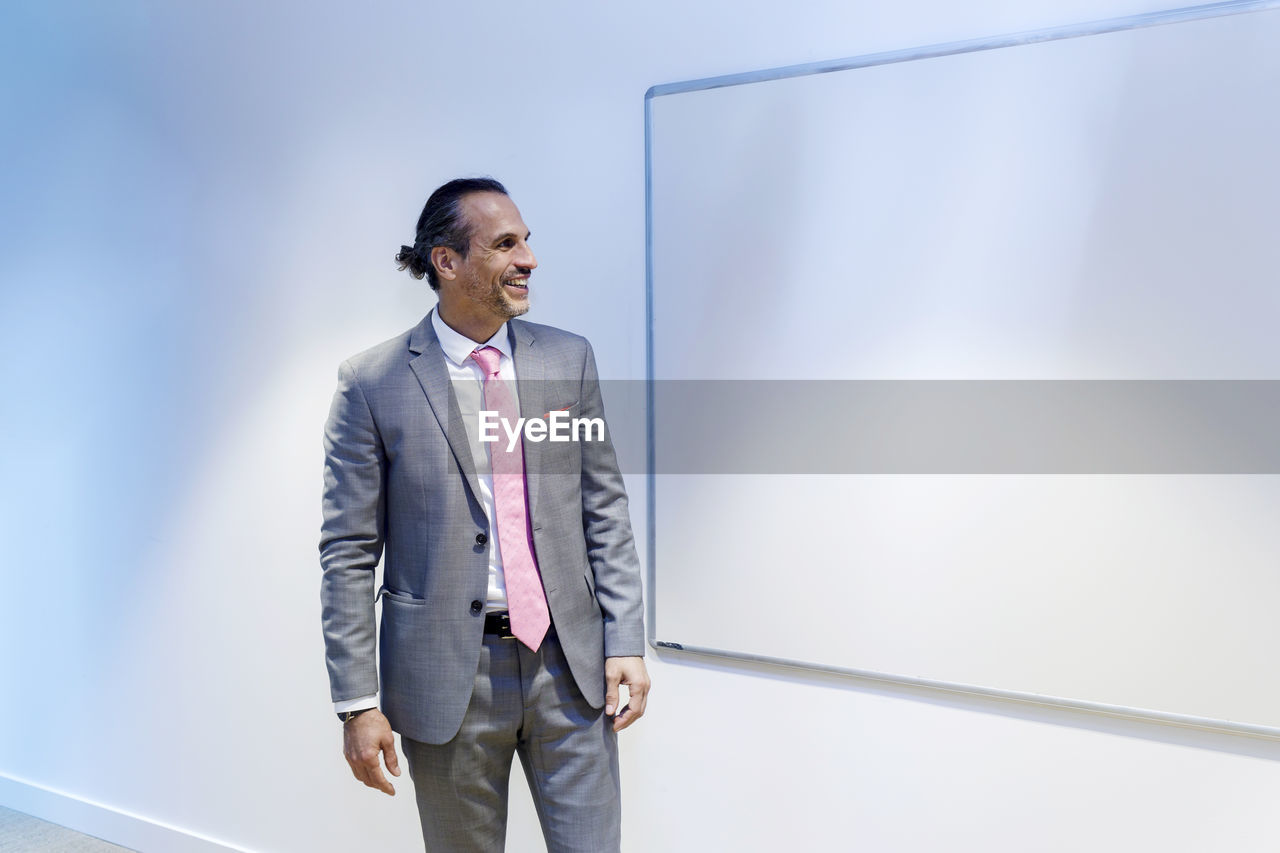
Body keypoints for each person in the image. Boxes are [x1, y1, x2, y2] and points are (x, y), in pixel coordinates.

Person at [319, 177, 650, 852]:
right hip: (448, 678)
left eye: (526, 240)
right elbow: (348, 550)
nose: (527, 258)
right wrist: (357, 702)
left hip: (569, 665)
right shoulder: (373, 382)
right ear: (447, 261)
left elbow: (602, 504)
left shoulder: (566, 358)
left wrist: (625, 639)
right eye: (505, 244)